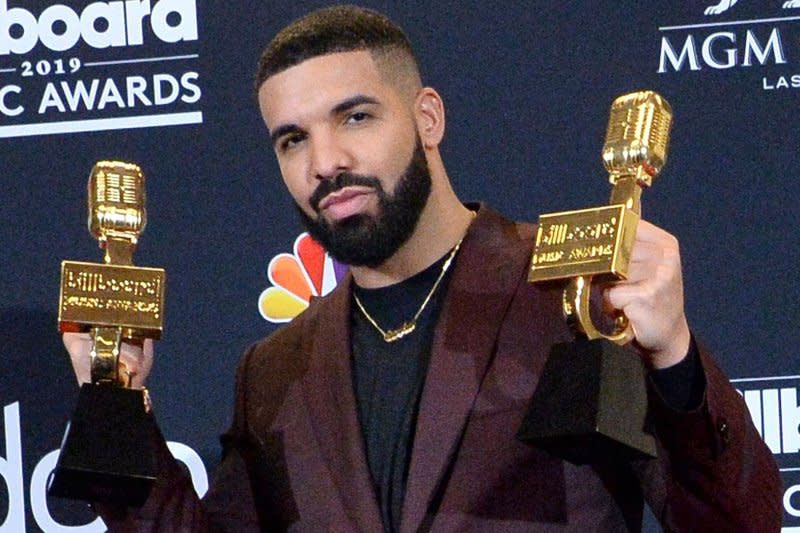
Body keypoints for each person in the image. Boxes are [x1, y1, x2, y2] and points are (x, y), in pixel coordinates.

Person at [63, 5, 782, 532]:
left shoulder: (573, 290)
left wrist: (675, 357)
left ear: (427, 117)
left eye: (355, 117)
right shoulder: (272, 368)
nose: (324, 162)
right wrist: (116, 397)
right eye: (291, 139)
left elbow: (735, 521)